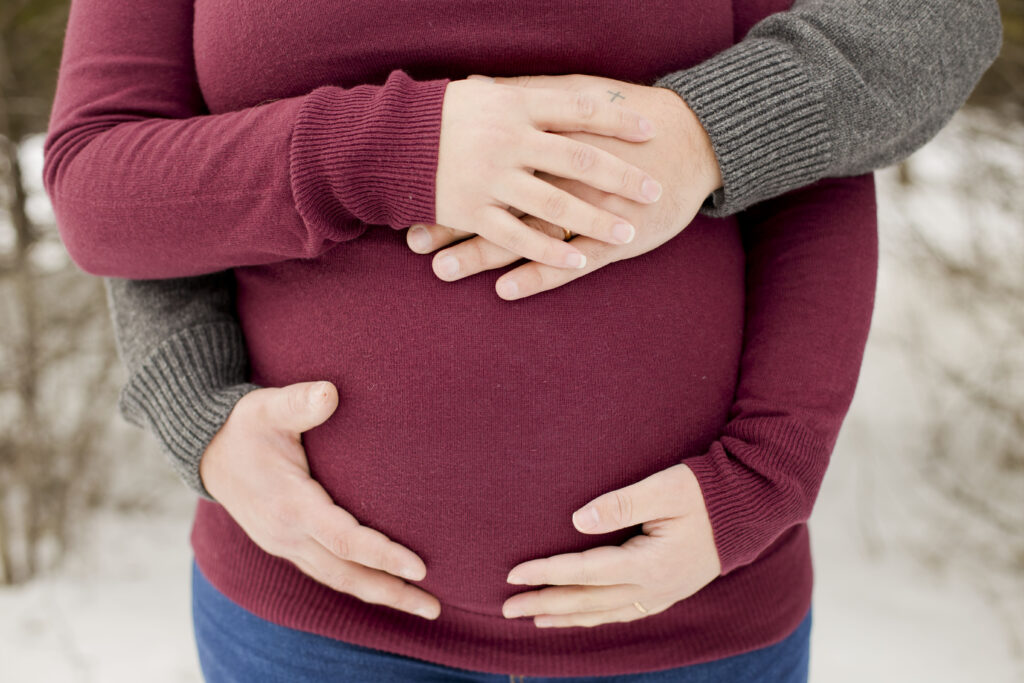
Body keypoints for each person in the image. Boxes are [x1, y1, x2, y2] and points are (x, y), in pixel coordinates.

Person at [42, 1, 1001, 681]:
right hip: (308, 625)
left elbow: (824, 141)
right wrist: (199, 413)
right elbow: (108, 177)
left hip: (690, 633)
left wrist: (767, 474)